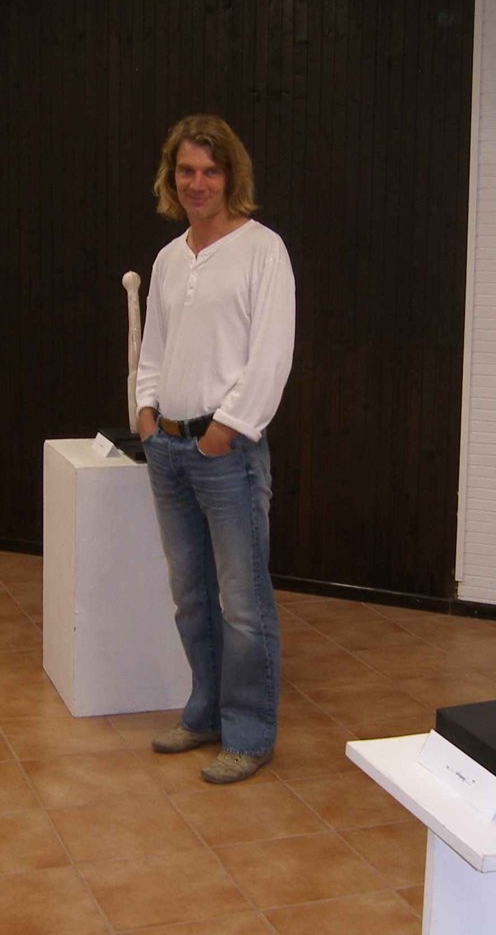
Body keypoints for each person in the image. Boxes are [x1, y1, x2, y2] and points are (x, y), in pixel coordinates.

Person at [135, 114, 295, 784]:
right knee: (192, 598)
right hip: (168, 450)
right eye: (186, 171)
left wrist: (224, 430)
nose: (196, 183)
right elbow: (153, 348)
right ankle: (204, 713)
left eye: (209, 171)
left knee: (243, 604)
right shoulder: (170, 258)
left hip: (226, 454)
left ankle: (249, 734)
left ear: (230, 176)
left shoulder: (263, 250)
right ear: (171, 177)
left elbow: (271, 356)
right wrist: (146, 413)